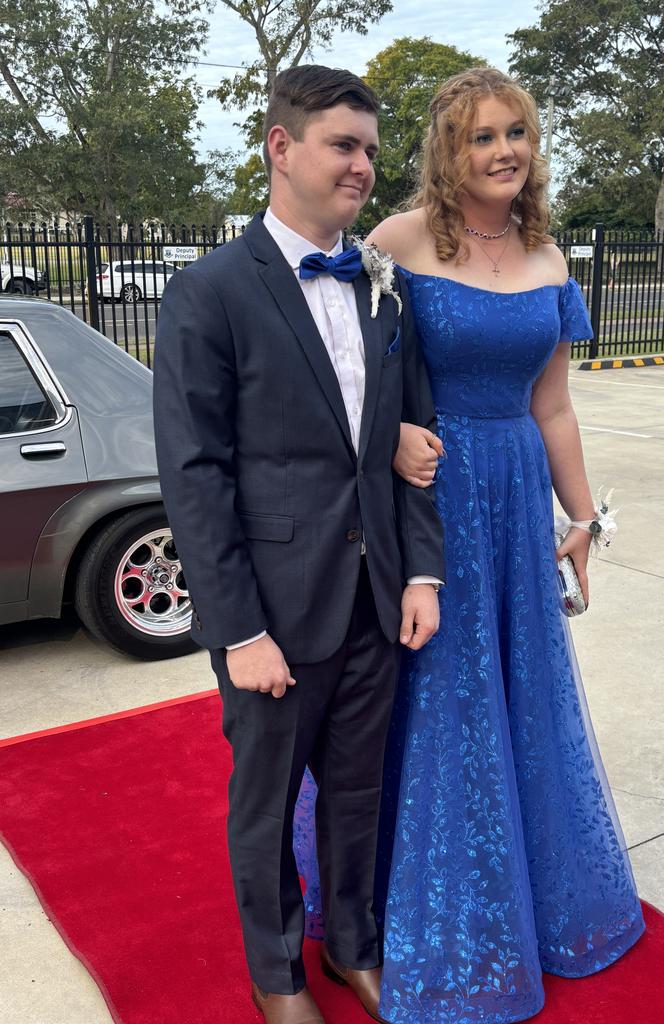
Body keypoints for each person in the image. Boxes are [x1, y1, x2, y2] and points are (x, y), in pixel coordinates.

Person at [152, 65, 445, 1024]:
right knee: (268, 803)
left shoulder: (384, 288)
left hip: (375, 598)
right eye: (343, 145)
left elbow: (411, 445)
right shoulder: (210, 292)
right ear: (281, 148)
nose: (364, 165)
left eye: (369, 147)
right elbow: (195, 476)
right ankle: (277, 973)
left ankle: (355, 943)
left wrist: (422, 570)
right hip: (273, 611)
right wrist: (236, 630)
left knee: (359, 795)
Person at [365, 67, 645, 1023]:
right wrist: (391, 436)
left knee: (522, 687)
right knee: (440, 689)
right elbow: (355, 381)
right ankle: (434, 915)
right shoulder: (396, 244)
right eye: (483, 137)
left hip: (520, 494)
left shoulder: (551, 254)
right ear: (450, 150)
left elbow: (553, 402)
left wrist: (580, 518)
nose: (504, 152)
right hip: (435, 495)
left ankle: (538, 899)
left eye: (516, 132)